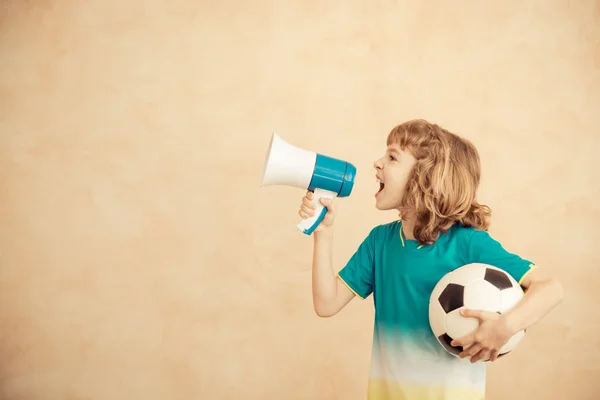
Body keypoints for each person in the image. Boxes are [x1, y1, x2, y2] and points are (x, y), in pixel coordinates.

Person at [298, 119, 564, 400]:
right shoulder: (380, 241)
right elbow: (326, 304)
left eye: (392, 157)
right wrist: (324, 232)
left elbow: (551, 288)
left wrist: (504, 328)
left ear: (425, 176)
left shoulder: (468, 244)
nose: (377, 163)